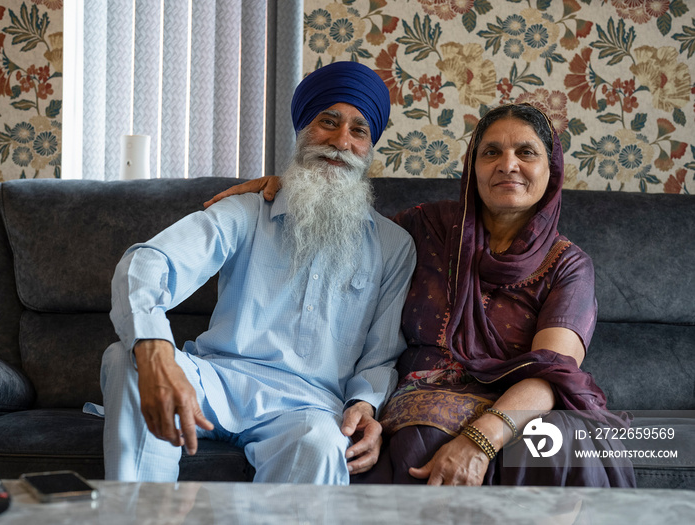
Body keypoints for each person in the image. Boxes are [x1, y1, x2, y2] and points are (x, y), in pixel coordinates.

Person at [207, 103, 636, 487]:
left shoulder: (568, 265)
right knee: (422, 435)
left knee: (559, 448)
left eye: (526, 152)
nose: (508, 165)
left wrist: (480, 440)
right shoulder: (424, 228)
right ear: (472, 167)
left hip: (519, 406)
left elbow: (552, 374)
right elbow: (339, 226)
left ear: (551, 170)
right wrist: (293, 187)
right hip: (417, 402)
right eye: (491, 152)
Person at [100, 60, 416, 485]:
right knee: (127, 356)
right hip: (215, 380)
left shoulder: (395, 246)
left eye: (359, 130)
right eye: (329, 122)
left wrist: (365, 405)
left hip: (309, 407)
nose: (342, 141)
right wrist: (156, 349)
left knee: (322, 445)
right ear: (304, 130)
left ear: (370, 147)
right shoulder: (248, 209)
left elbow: (380, 356)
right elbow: (147, 262)